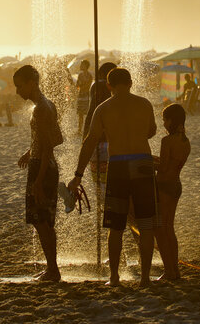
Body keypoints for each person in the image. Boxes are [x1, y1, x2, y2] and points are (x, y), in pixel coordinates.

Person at [68, 67, 157, 287]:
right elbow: (151, 131)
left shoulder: (103, 108)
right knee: (146, 224)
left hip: (118, 164)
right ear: (131, 83)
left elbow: (90, 141)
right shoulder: (145, 104)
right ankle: (145, 278)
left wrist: (78, 175)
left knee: (115, 226)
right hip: (143, 163)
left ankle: (115, 277)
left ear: (109, 86)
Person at [14, 65, 63, 282]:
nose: (18, 91)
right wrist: (31, 150)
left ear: (32, 83)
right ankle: (52, 269)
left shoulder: (41, 109)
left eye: (20, 85)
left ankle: (53, 270)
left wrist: (39, 179)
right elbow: (56, 138)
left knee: (42, 221)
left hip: (43, 168)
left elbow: (49, 146)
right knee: (42, 221)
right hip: (44, 165)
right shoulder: (47, 105)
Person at [154, 103, 191, 281]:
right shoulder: (185, 141)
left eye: (164, 120)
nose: (163, 124)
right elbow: (172, 164)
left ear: (171, 120)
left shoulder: (166, 141)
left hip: (164, 186)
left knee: (160, 230)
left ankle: (169, 270)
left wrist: (148, 161)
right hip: (176, 184)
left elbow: (162, 168)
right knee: (169, 228)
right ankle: (174, 270)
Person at [82, 61, 117, 192]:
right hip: (112, 142)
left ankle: (102, 208)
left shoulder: (96, 86)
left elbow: (90, 114)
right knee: (111, 185)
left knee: (99, 184)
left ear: (101, 74)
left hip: (97, 142)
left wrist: (84, 139)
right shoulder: (115, 90)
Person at [76, 59, 93, 134]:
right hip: (80, 95)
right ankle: (79, 129)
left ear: (86, 66)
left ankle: (87, 129)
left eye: (82, 64)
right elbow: (77, 85)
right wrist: (81, 85)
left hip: (85, 95)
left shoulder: (90, 76)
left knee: (86, 113)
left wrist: (81, 84)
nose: (80, 66)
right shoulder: (80, 75)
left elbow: (87, 86)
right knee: (80, 114)